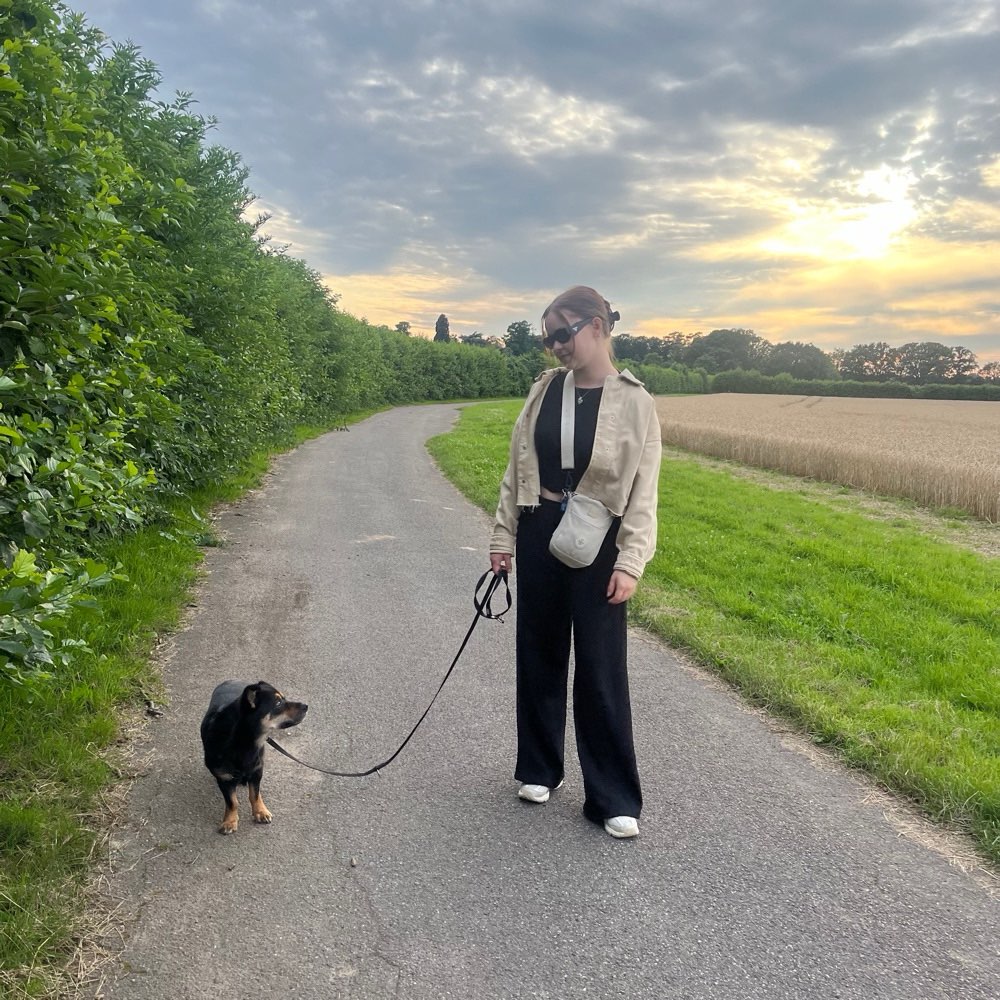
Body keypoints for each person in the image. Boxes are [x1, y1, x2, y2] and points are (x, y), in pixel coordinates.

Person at [489, 285, 662, 839]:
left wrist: (631, 561)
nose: (555, 347)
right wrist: (503, 536)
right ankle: (539, 768)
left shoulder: (635, 401)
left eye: (562, 334)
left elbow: (643, 492)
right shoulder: (544, 392)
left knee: (600, 668)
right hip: (540, 530)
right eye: (548, 339)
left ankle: (612, 796)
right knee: (538, 654)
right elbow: (517, 469)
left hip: (599, 543)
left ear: (597, 326)